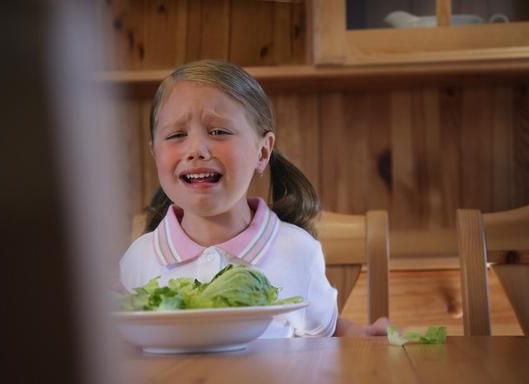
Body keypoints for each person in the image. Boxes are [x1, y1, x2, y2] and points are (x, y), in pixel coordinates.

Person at [119, 59, 389, 337]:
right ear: (155, 154)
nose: (196, 149)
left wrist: (365, 335)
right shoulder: (138, 260)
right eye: (176, 134)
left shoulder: (297, 250)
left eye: (218, 132)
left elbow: (325, 335)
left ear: (262, 152)